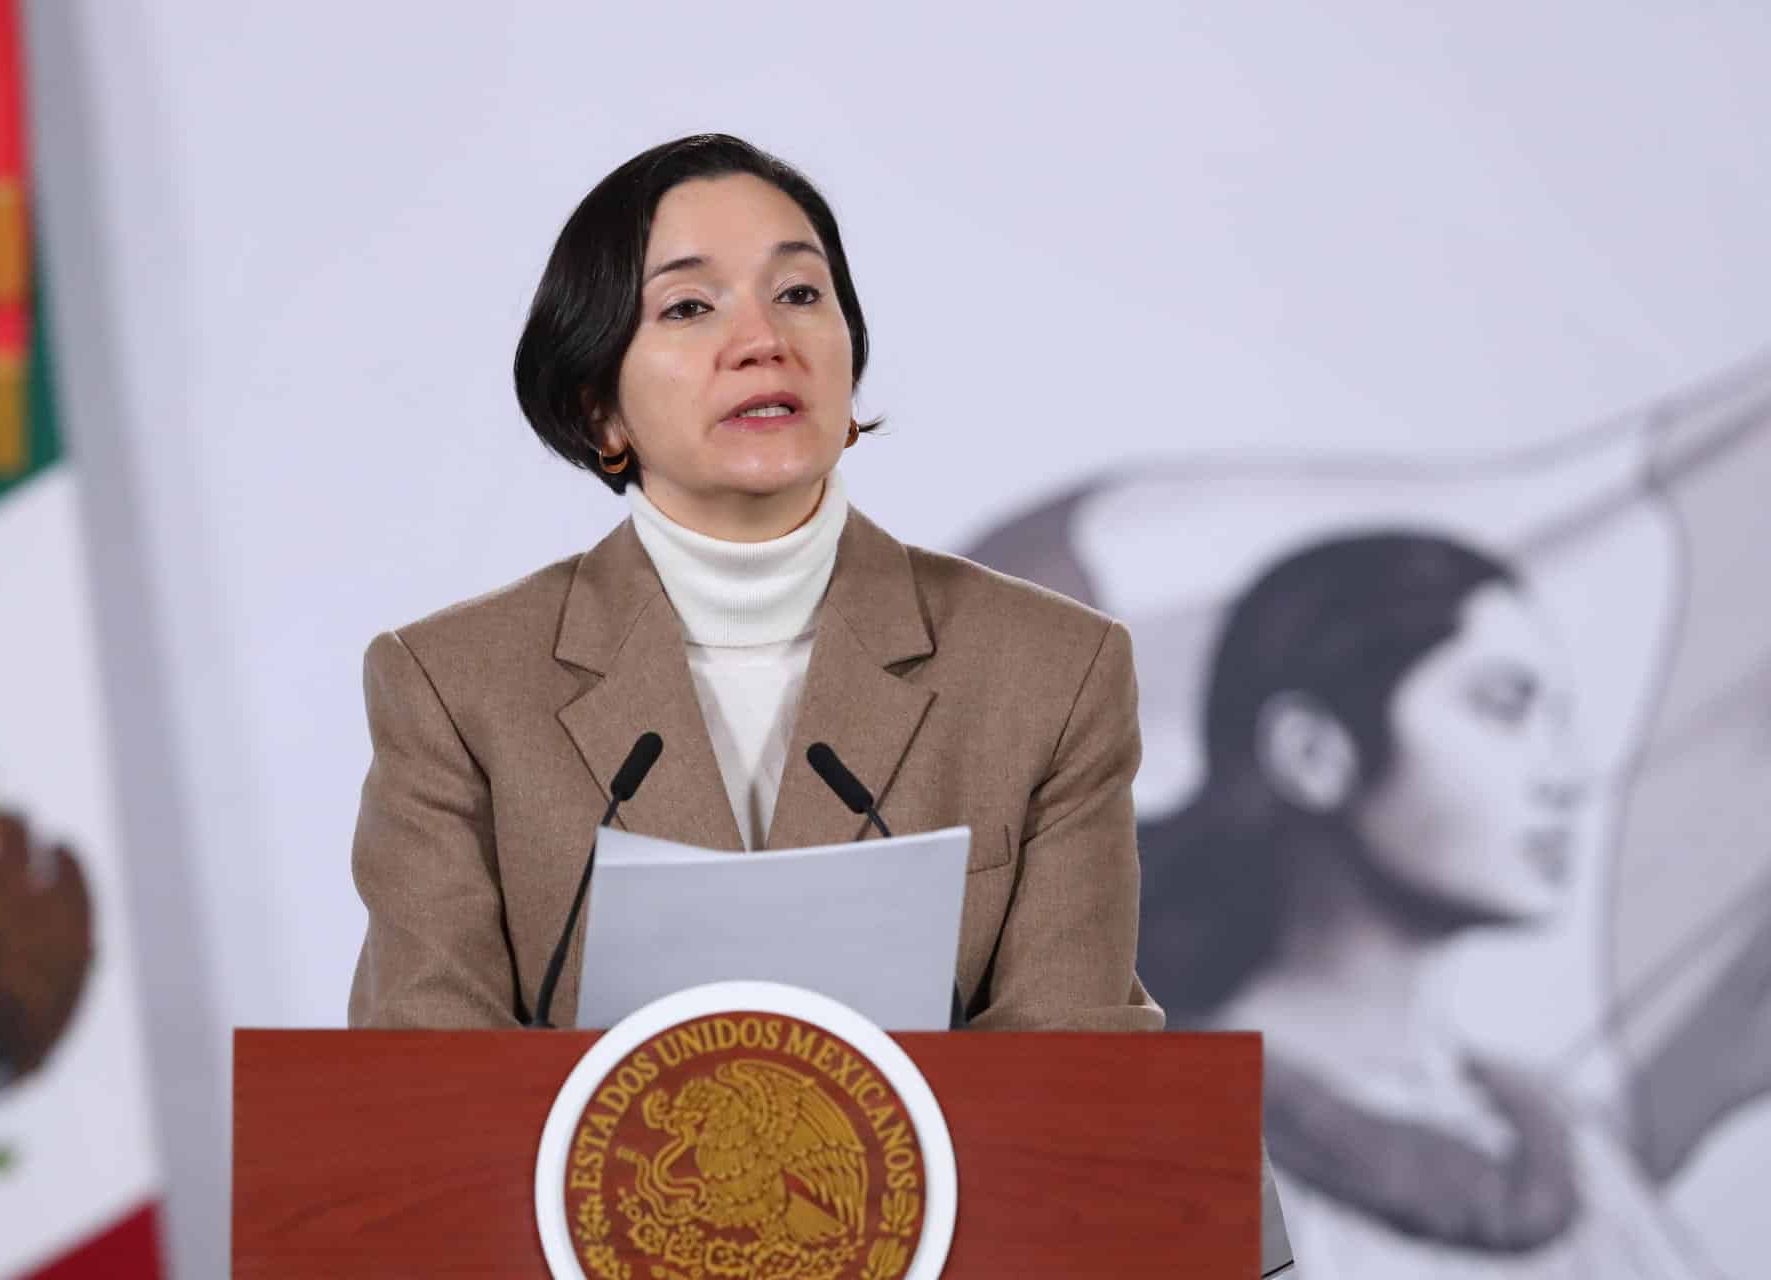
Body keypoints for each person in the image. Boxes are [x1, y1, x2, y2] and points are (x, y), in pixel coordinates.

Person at [346, 134, 1162, 1036]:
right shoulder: (454, 688)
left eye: (801, 294)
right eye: (689, 306)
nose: (764, 341)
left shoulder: (1052, 670)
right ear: (597, 405)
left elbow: (1078, 1083)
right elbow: (423, 1083)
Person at [1133, 531, 1717, 1277]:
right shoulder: (1161, 1153)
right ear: (1313, 753)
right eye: (1504, 707)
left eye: (1559, 721)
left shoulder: (1569, 1148)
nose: (1566, 775)